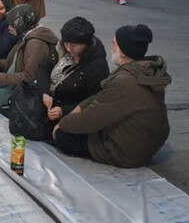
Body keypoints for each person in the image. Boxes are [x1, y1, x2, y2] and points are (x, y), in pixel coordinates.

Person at [54, 24, 171, 168]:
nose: (111, 48)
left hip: (127, 152)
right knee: (74, 124)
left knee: (62, 136)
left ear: (123, 52)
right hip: (143, 141)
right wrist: (79, 108)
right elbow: (102, 97)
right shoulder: (143, 70)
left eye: (114, 44)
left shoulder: (127, 82)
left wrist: (63, 124)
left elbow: (93, 118)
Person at [36, 17, 109, 140]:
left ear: (86, 45)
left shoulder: (97, 67)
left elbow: (92, 101)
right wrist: (44, 92)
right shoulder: (62, 50)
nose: (69, 49)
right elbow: (44, 67)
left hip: (70, 113)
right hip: (49, 103)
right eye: (66, 44)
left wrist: (63, 111)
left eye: (74, 46)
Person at [0, 4, 58, 106]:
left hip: (24, 89)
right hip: (15, 80)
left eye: (11, 24)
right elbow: (19, 60)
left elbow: (29, 76)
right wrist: (1, 64)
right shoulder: (26, 35)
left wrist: (1, 78)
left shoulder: (35, 44)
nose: (9, 28)